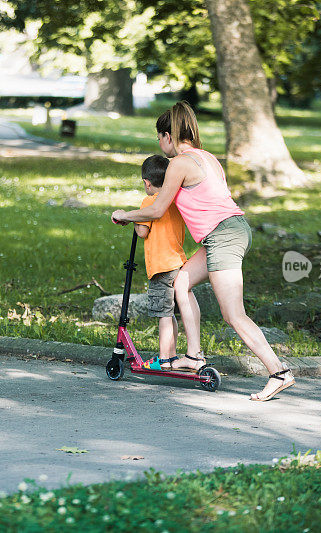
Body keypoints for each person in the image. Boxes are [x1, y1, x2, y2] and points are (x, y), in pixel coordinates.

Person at [111, 101, 295, 401]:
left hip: (223, 235)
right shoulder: (206, 157)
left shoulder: (180, 163)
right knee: (180, 282)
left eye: (160, 137)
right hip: (227, 232)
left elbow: (157, 209)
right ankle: (194, 357)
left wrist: (123, 214)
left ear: (168, 136)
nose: (159, 144)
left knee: (233, 314)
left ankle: (279, 373)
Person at [131, 154, 198, 371]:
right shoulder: (173, 201)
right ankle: (171, 354)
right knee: (170, 313)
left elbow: (142, 231)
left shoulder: (150, 202)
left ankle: (164, 359)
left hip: (160, 267)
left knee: (163, 314)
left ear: (146, 183)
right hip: (178, 263)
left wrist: (131, 218)